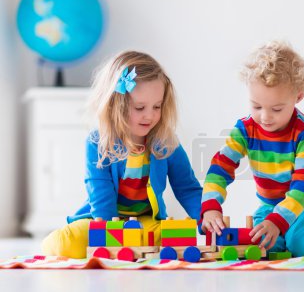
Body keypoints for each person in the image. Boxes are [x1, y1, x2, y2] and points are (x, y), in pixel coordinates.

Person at [200, 41, 304, 256]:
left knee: (303, 246)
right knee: (262, 246)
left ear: (298, 96)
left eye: (276, 109)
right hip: (272, 206)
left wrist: (277, 221)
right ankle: (287, 233)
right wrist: (210, 206)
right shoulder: (244, 129)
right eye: (256, 106)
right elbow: (220, 167)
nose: (265, 117)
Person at [42, 51, 202, 258]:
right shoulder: (98, 142)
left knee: (174, 237)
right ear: (116, 105)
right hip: (102, 220)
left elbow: (187, 186)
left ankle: (134, 247)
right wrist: (112, 235)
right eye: (140, 107)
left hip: (143, 221)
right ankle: (126, 247)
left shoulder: (165, 142)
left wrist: (205, 214)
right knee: (64, 243)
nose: (150, 115)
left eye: (157, 106)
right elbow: (99, 190)